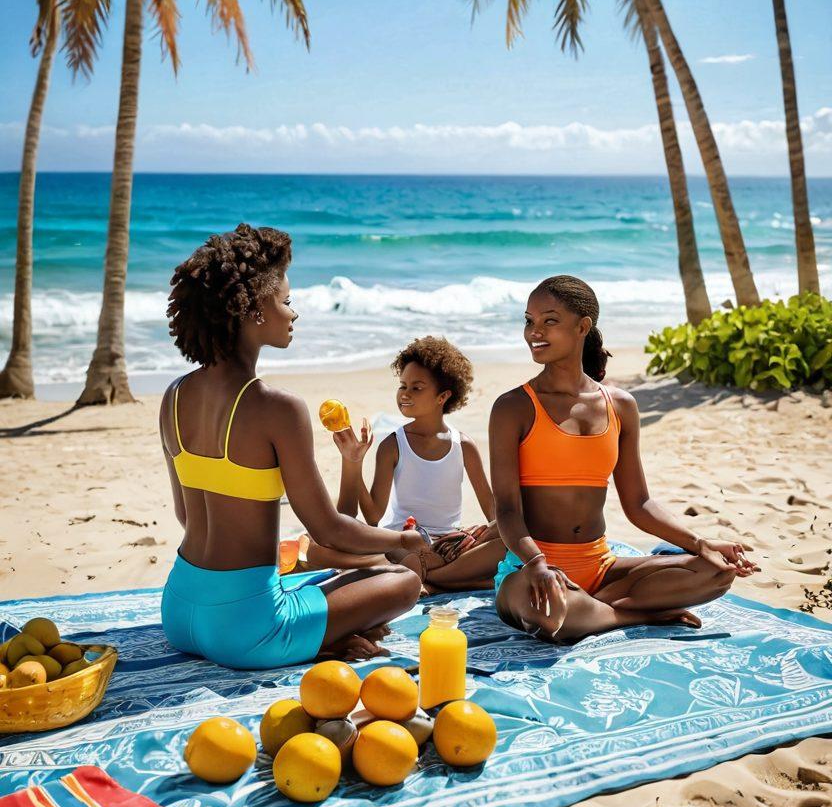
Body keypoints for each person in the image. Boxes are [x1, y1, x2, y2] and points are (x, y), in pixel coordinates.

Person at [158, 224, 424, 669]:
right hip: (246, 630)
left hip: (178, 609)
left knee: (325, 582)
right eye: (286, 301)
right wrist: (404, 538)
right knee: (401, 580)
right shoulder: (276, 407)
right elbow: (330, 531)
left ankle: (319, 632)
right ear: (255, 309)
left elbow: (187, 514)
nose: (293, 313)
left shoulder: (174, 396)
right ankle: (322, 642)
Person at [490, 274, 759, 642]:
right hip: (530, 571)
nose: (534, 331)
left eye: (549, 320)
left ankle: (595, 609)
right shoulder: (513, 407)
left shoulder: (620, 406)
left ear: (583, 326)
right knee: (549, 614)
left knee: (718, 571)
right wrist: (536, 563)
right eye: (529, 320)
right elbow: (506, 510)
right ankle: (628, 615)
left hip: (600, 568)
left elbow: (639, 503)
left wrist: (701, 544)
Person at [305, 336, 505, 591]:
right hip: (402, 544)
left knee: (508, 539)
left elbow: (492, 514)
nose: (405, 394)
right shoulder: (393, 445)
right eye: (403, 385)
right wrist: (353, 462)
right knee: (317, 549)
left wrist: (494, 535)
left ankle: (430, 578)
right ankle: (446, 579)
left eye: (416, 388)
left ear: (442, 396)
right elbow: (374, 516)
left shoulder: (463, 445)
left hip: (449, 545)